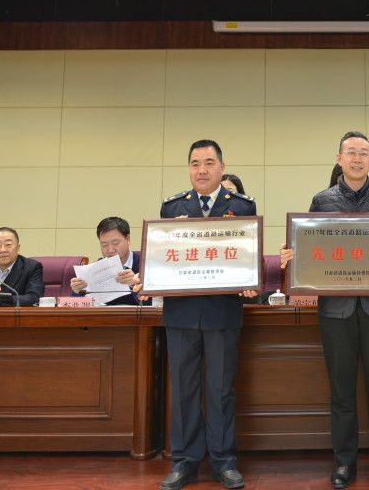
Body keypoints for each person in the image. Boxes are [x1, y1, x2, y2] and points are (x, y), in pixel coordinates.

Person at [280, 131, 369, 489]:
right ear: (339, 158)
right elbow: (309, 252)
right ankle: (344, 463)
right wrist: (293, 255)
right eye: (351, 152)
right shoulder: (322, 200)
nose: (357, 158)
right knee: (341, 391)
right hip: (335, 310)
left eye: (363, 153)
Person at [157, 140, 257, 490]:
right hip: (181, 313)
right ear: (189, 168)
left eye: (209, 163)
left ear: (222, 167)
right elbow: (162, 255)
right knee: (183, 390)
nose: (202, 170)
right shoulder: (172, 207)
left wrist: (250, 281)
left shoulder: (242, 206)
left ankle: (223, 461)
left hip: (222, 312)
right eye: (195, 163)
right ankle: (184, 462)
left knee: (220, 390)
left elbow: (248, 254)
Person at [69, 216, 143, 306]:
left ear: (128, 239)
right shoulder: (95, 269)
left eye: (115, 243)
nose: (110, 250)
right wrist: (78, 291)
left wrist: (134, 284)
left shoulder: (145, 266)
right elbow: (73, 306)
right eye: (104, 245)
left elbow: (153, 303)